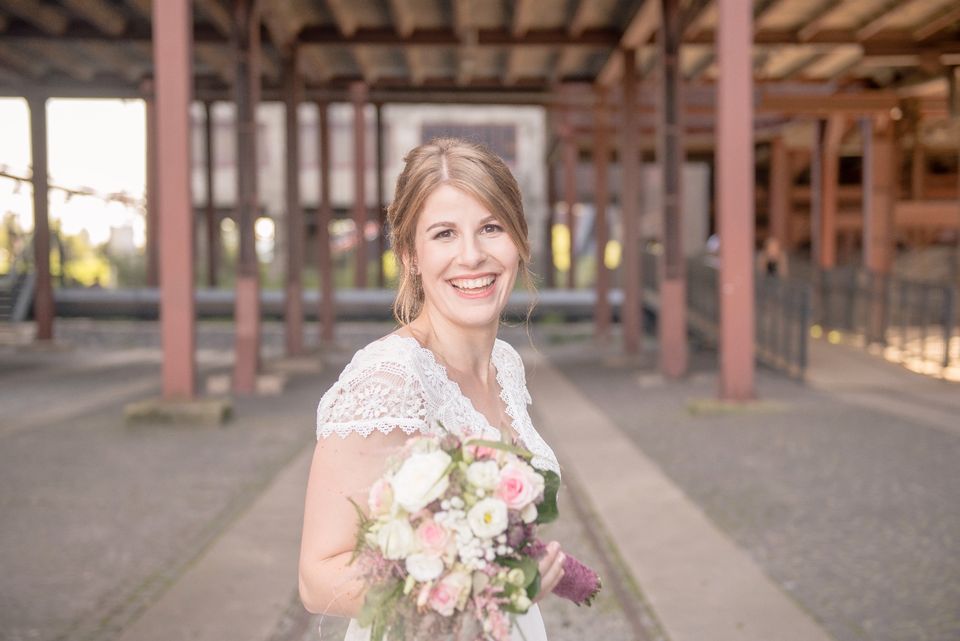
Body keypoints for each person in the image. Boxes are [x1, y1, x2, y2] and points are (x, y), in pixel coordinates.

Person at [299, 138, 566, 641]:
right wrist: (475, 586)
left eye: (491, 228)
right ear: (411, 256)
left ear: (519, 242)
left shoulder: (506, 366)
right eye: (444, 234)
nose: (472, 255)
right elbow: (317, 578)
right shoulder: (388, 379)